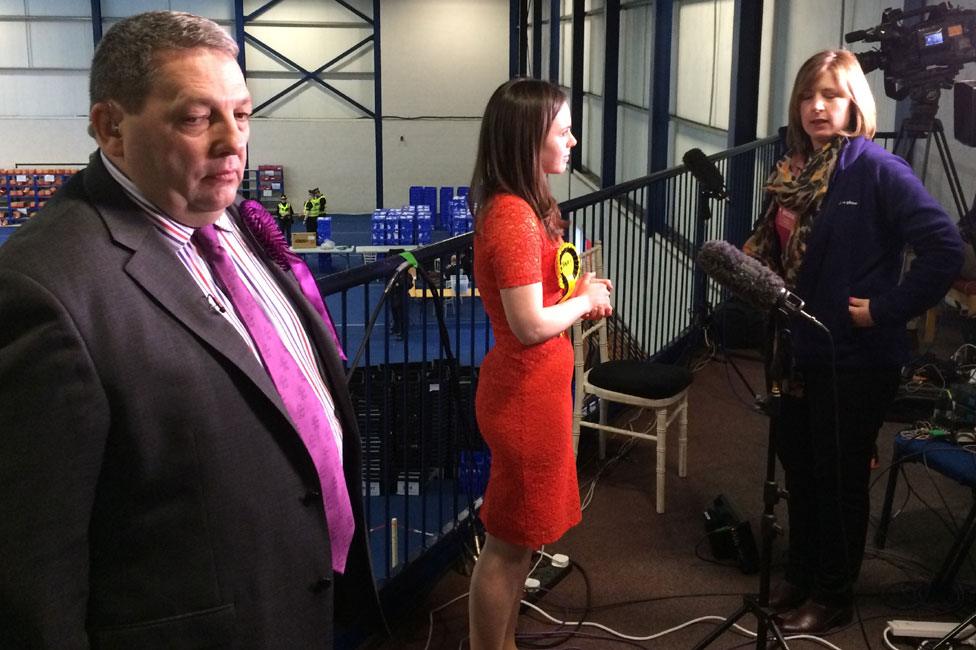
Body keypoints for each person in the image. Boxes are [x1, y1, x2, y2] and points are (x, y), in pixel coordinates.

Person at [0, 11, 383, 648]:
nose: (234, 143)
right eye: (196, 118)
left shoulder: (233, 223)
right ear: (112, 130)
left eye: (243, 114)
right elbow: (31, 573)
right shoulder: (44, 291)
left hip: (304, 597)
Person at [743, 49, 963, 634]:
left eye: (832, 95)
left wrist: (886, 310)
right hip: (795, 355)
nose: (818, 106)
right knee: (800, 471)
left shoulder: (876, 170)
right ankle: (801, 577)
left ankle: (833, 595)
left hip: (854, 360)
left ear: (854, 104)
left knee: (838, 480)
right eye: (808, 95)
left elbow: (946, 249)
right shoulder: (794, 172)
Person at [467, 78, 613, 650]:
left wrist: (577, 285)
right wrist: (584, 301)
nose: (573, 139)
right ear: (529, 139)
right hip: (524, 399)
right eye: (563, 130)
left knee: (521, 539)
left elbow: (543, 297)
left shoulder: (529, 207)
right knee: (507, 544)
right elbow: (528, 325)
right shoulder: (512, 217)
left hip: (538, 392)